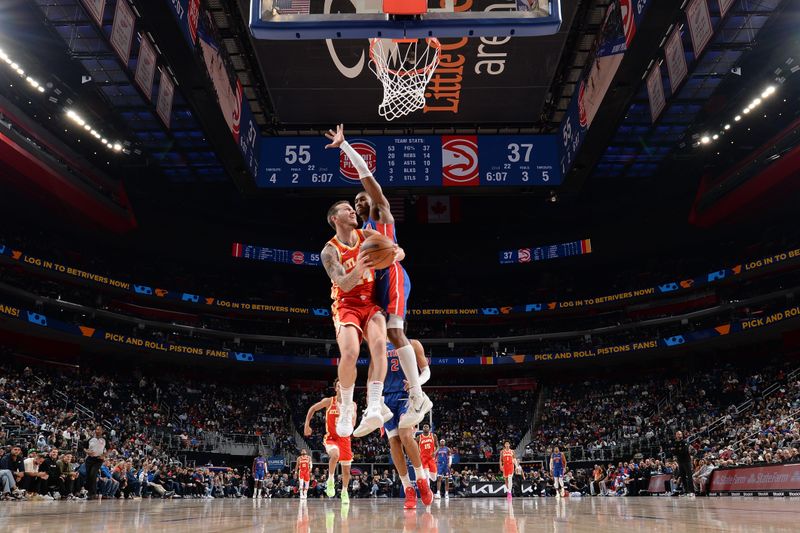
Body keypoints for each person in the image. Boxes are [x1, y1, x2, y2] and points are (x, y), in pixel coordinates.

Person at [326, 124, 434, 429]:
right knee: (384, 338)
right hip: (376, 287)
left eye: (363, 198)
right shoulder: (361, 234)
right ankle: (383, 402)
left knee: (395, 332)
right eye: (355, 201)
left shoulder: (382, 214)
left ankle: (417, 394)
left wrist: (345, 147)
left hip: (394, 276)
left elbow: (367, 179)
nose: (361, 201)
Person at [320, 196, 401, 438]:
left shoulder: (367, 236)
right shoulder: (330, 250)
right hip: (346, 304)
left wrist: (392, 255)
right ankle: (346, 406)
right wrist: (361, 267)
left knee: (379, 346)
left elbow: (398, 251)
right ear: (335, 218)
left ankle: (375, 403)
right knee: (351, 353)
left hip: (371, 302)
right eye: (346, 209)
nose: (352, 211)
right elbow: (343, 284)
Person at [382, 341, 434, 509]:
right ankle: (408, 489)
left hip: (407, 395)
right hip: (386, 398)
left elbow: (426, 371)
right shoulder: (379, 345)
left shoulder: (413, 343)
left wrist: (416, 382)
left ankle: (421, 480)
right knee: (394, 442)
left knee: (405, 435)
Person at [304, 380, 355, 503]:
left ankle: (344, 492)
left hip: (345, 439)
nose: (341, 388)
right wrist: (307, 424)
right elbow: (312, 408)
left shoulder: (352, 404)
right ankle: (330, 480)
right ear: (336, 388)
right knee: (335, 455)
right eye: (339, 386)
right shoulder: (329, 401)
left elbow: (353, 422)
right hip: (331, 438)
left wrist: (347, 420)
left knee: (346, 471)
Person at [85, 425, 106, 500]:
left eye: (99, 429)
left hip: (98, 460)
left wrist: (104, 455)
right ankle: (89, 491)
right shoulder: (90, 439)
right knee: (88, 476)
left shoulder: (104, 440)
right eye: (96, 429)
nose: (98, 431)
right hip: (89, 459)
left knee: (93, 474)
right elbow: (84, 447)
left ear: (102, 431)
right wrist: (87, 452)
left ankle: (92, 493)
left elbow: (110, 448)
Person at [673, 431, 695, 497]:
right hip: (680, 461)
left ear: (682, 435)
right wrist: (678, 450)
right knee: (683, 477)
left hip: (686, 461)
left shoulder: (685, 442)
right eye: (678, 434)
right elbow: (674, 452)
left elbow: (684, 451)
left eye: (680, 434)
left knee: (689, 476)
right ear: (676, 435)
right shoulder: (675, 443)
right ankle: (686, 491)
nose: (679, 435)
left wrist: (678, 451)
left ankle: (692, 491)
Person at [418, 424, 438, 488]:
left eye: (427, 427)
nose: (425, 428)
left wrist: (435, 452)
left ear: (429, 428)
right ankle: (428, 491)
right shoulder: (419, 437)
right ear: (422, 428)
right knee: (426, 475)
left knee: (434, 478)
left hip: (431, 458)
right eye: (424, 427)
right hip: (423, 458)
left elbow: (438, 447)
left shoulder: (433, 436)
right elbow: (412, 445)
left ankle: (428, 475)